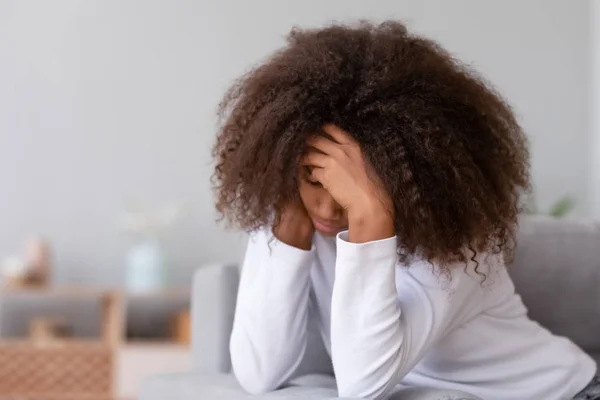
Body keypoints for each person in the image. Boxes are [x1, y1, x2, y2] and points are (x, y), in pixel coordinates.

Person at [211, 21, 597, 400]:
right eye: (313, 181)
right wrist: (289, 228)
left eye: (352, 191)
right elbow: (258, 373)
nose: (327, 208)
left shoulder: (455, 243)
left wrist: (371, 216)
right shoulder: (293, 210)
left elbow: (363, 387)